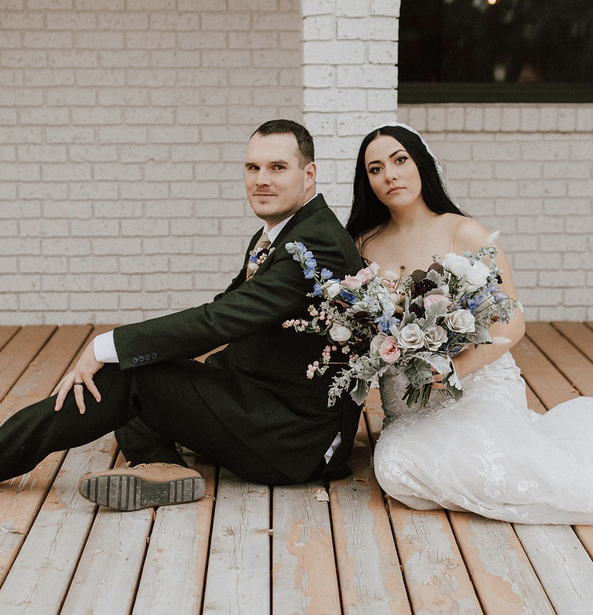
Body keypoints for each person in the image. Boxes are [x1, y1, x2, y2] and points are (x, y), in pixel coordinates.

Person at [0, 120, 363, 510]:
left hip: (292, 440)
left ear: (308, 174)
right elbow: (228, 309)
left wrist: (108, 345)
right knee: (143, 367)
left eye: (277, 168)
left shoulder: (314, 243)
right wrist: (149, 355)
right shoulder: (283, 232)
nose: (261, 180)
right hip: (260, 399)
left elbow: (220, 319)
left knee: (131, 374)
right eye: (252, 168)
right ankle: (163, 467)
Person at [346, 124, 593, 526]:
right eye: (375, 168)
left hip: (476, 387)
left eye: (399, 160)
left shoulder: (465, 231)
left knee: (464, 456)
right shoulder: (362, 244)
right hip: (407, 403)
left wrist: (454, 369)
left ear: (420, 164)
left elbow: (512, 323)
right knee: (395, 466)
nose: (389, 175)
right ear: (367, 182)